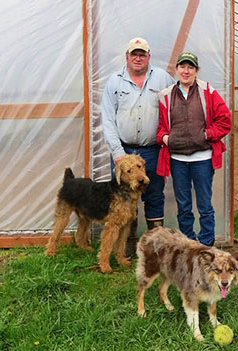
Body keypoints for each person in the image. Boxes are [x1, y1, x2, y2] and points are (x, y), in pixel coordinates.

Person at [101, 37, 175, 255]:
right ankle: (126, 246)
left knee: (154, 194)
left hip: (152, 150)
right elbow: (107, 119)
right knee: (123, 200)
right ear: (127, 56)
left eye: (142, 54)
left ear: (148, 57)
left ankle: (156, 246)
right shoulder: (114, 81)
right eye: (134, 54)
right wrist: (117, 154)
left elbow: (176, 105)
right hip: (122, 151)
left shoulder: (162, 78)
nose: (138, 58)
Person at [156, 52, 231, 246]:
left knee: (205, 204)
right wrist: (166, 138)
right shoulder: (166, 96)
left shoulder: (208, 92)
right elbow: (160, 126)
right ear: (177, 70)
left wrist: (206, 135)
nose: (186, 71)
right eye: (183, 67)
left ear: (196, 71)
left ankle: (206, 244)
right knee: (184, 205)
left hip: (202, 160)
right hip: (177, 160)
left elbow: (225, 120)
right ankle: (188, 245)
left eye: (190, 67)